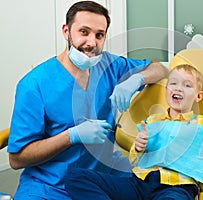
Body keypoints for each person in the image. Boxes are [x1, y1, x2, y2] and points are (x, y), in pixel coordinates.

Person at [7, 1, 168, 199]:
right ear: (66, 32)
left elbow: (159, 68)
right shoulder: (34, 85)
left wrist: (137, 79)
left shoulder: (110, 65)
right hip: (49, 187)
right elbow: (16, 159)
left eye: (99, 35)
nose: (92, 42)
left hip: (101, 180)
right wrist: (71, 136)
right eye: (84, 32)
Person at [64, 64, 203, 199]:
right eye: (173, 83)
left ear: (198, 96)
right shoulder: (152, 121)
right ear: (167, 89)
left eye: (187, 85)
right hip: (140, 183)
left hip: (177, 187)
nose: (179, 89)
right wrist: (139, 148)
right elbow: (135, 161)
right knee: (75, 177)